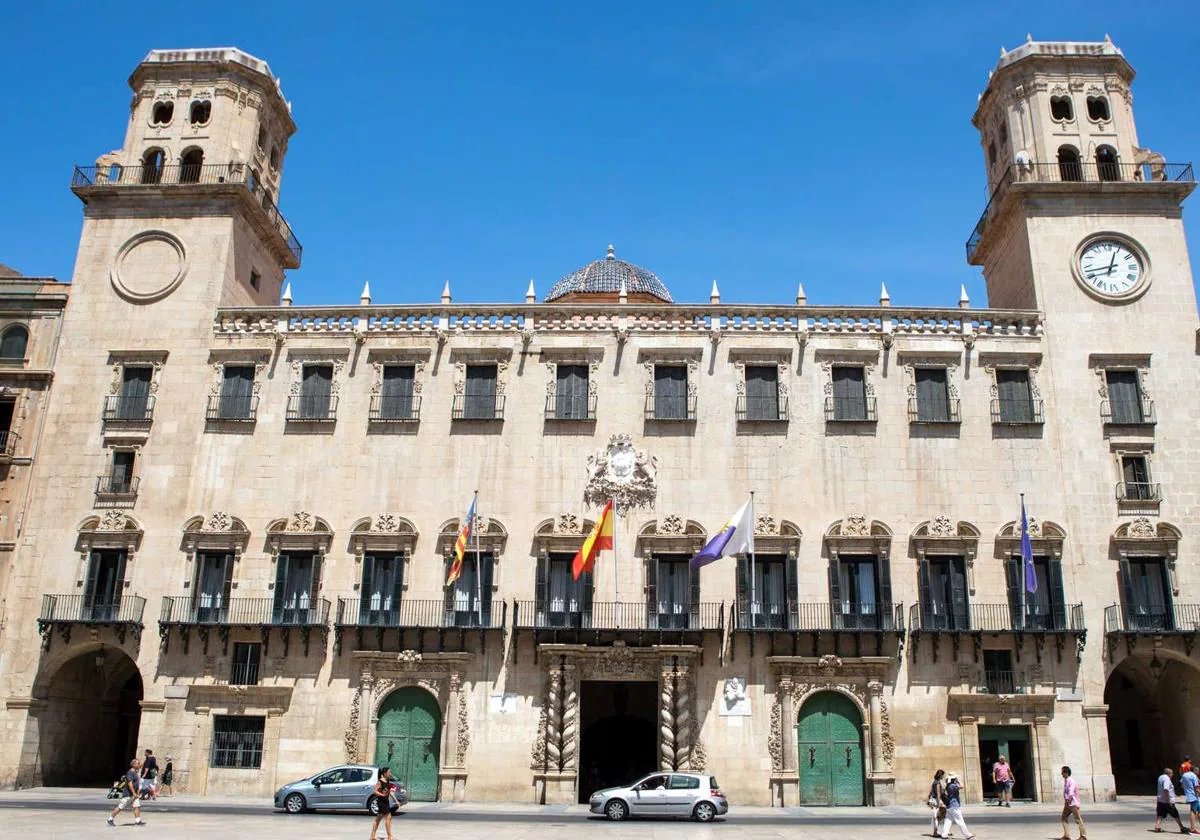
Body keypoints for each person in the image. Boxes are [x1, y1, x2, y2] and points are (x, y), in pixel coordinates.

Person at [107, 759, 146, 827]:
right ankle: (110, 819)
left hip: (134, 795)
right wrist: (133, 792)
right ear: (134, 765)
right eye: (138, 763)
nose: (139, 764)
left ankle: (137, 820)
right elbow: (129, 783)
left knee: (136, 806)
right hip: (128, 794)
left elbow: (136, 783)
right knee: (120, 807)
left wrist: (136, 793)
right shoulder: (130, 772)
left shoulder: (135, 772)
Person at [938, 772, 974, 840]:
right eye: (955, 778)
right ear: (953, 779)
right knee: (960, 821)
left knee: (948, 821)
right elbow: (962, 786)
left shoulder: (948, 785)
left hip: (949, 806)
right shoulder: (953, 786)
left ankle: (944, 834)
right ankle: (967, 835)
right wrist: (958, 781)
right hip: (954, 805)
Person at [1155, 767, 1189, 834]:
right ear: (1169, 773)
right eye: (1172, 773)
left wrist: (1174, 794)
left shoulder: (1161, 777)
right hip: (1167, 801)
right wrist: (1169, 800)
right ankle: (1182, 828)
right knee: (1175, 814)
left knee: (1160, 814)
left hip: (1160, 800)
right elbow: (1166, 789)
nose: (1172, 775)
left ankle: (1157, 827)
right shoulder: (1167, 779)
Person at [369, 766, 396, 840]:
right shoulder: (380, 781)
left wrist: (396, 800)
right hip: (381, 802)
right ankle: (389, 836)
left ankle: (372, 836)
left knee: (378, 819)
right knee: (388, 816)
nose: (390, 773)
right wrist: (382, 794)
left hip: (385, 801)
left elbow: (389, 791)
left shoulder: (387, 780)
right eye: (389, 772)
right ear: (384, 773)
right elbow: (375, 791)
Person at [1060, 765, 1087, 840]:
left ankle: (1083, 836)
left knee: (1078, 819)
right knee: (1064, 817)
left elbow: (1071, 792)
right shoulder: (1066, 781)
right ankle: (1067, 835)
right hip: (1068, 803)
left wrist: (1067, 800)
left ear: (1066, 773)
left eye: (1062, 772)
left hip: (1073, 803)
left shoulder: (1071, 781)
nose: (1061, 774)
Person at [1181, 763, 1199, 835]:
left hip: (1188, 795)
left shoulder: (1184, 775)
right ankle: (1192, 828)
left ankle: (1193, 828)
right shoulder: (1194, 776)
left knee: (1197, 810)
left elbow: (1182, 785)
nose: (1198, 773)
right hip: (1193, 796)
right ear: (1195, 770)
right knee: (1193, 811)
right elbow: (1196, 787)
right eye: (1198, 771)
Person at [928, 769, 947, 838]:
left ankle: (935, 832)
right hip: (936, 801)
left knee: (936, 816)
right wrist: (939, 804)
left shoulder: (934, 782)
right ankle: (935, 832)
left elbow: (930, 791)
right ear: (941, 775)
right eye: (943, 775)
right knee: (938, 816)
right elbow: (938, 794)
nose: (943, 776)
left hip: (933, 800)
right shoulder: (938, 783)